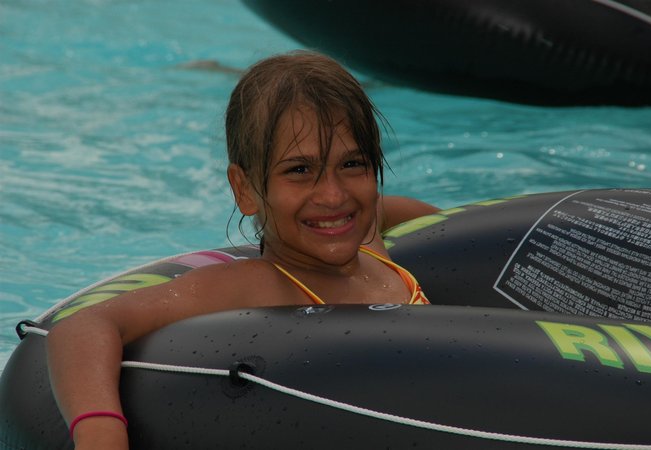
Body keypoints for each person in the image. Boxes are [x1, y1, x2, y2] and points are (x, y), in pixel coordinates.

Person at [46, 50, 439, 449]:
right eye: (299, 170)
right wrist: (102, 432)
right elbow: (83, 326)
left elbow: (417, 219)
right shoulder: (252, 286)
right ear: (245, 189)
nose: (334, 196)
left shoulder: (370, 241)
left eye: (352, 164)